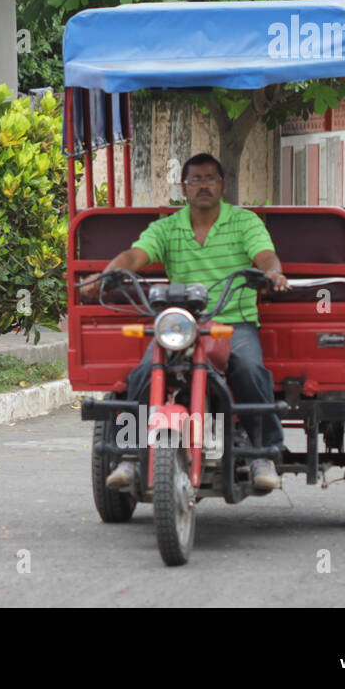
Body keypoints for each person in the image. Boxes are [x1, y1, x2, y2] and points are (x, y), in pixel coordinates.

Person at [80, 153, 290, 492]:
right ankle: (131, 456)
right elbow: (135, 255)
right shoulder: (167, 227)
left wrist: (272, 272)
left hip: (234, 323)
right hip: (180, 326)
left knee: (250, 369)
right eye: (196, 179)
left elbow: (264, 255)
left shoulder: (245, 222)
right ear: (185, 187)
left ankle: (262, 453)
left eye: (210, 178)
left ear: (222, 185)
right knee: (146, 372)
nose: (203, 185)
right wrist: (106, 276)